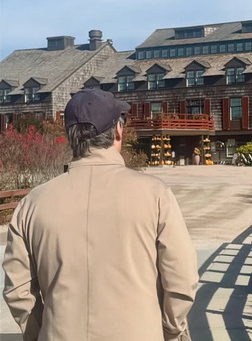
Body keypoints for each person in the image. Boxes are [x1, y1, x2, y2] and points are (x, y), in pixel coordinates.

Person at [3, 89, 199, 340]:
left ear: (69, 136)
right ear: (118, 130)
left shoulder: (32, 204)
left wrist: (41, 333)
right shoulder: (155, 195)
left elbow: (18, 291)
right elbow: (181, 279)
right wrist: (170, 330)